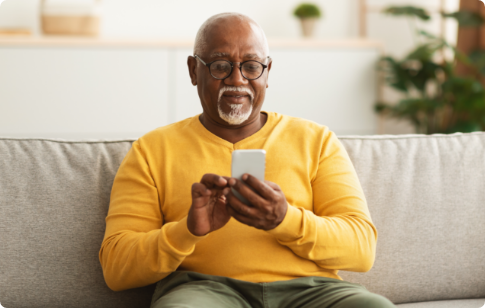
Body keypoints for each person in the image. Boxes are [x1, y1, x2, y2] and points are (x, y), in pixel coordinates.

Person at [99, 12, 396, 308]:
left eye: (252, 66)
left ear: (267, 73)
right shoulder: (151, 150)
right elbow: (117, 267)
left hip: (311, 292)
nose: (237, 80)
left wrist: (285, 219)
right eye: (220, 66)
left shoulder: (317, 140)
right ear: (193, 70)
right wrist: (186, 230)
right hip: (204, 291)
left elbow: (361, 249)